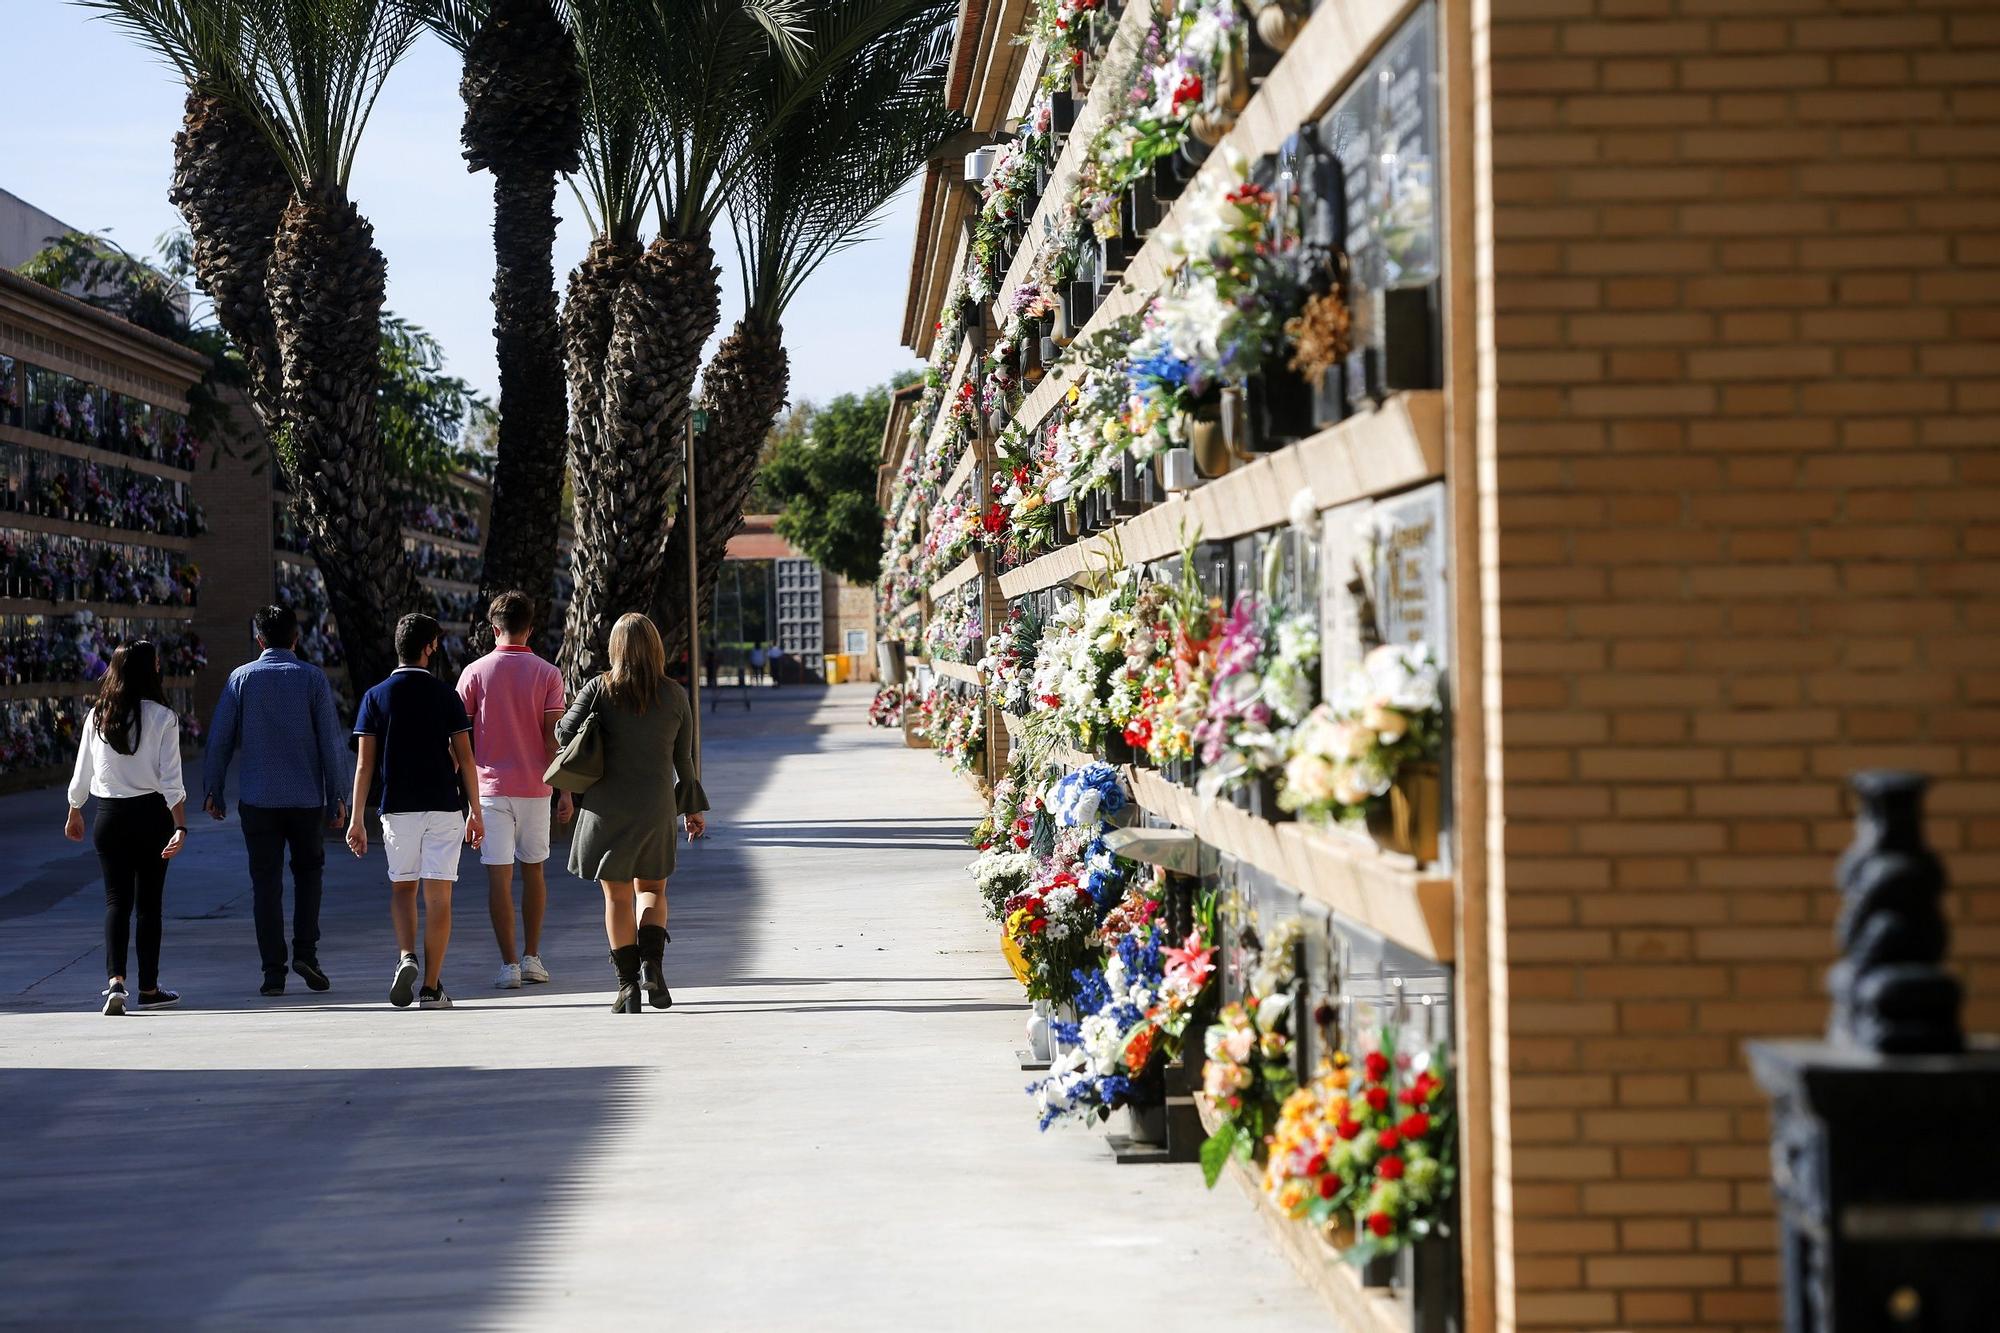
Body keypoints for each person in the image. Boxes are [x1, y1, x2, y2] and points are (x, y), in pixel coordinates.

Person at [555, 613, 708, 1013]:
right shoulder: (674, 695)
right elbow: (685, 759)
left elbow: (563, 734)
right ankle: (652, 967)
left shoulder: (598, 689)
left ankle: (627, 987)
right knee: (653, 890)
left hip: (607, 808)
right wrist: (691, 808)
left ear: (615, 649)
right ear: (656, 648)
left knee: (617, 897)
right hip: (656, 807)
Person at [201, 605, 350, 997]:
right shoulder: (312, 680)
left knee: (265, 884)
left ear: (259, 639)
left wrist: (213, 789)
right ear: (296, 639)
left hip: (258, 798)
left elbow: (219, 739)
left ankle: (272, 971)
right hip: (304, 800)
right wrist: (338, 795)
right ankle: (307, 952)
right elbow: (332, 744)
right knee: (309, 875)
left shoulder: (241, 679)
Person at [346, 614, 485, 1010]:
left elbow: (364, 765)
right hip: (443, 806)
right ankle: (431, 987)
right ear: (429, 647)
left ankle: (406, 955)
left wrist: (357, 819)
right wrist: (475, 810)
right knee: (438, 896)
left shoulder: (376, 696)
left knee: (403, 888)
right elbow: (466, 759)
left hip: (397, 808)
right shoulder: (446, 696)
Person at [65, 641, 187, 1015]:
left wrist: (74, 809)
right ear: (148, 670)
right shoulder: (163, 717)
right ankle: (149, 988)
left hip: (109, 816)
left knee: (116, 901)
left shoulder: (98, 715)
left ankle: (115, 982)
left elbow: (82, 769)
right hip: (152, 816)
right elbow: (171, 780)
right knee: (150, 905)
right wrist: (180, 825)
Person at [456, 590, 570, 990]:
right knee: (535, 871)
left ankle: (508, 965)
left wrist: (466, 800)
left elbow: (459, 739)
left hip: (488, 788)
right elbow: (553, 738)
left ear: (494, 627)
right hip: (537, 786)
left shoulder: (474, 673)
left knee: (498, 878)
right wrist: (566, 791)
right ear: (531, 628)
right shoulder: (548, 674)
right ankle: (533, 956)